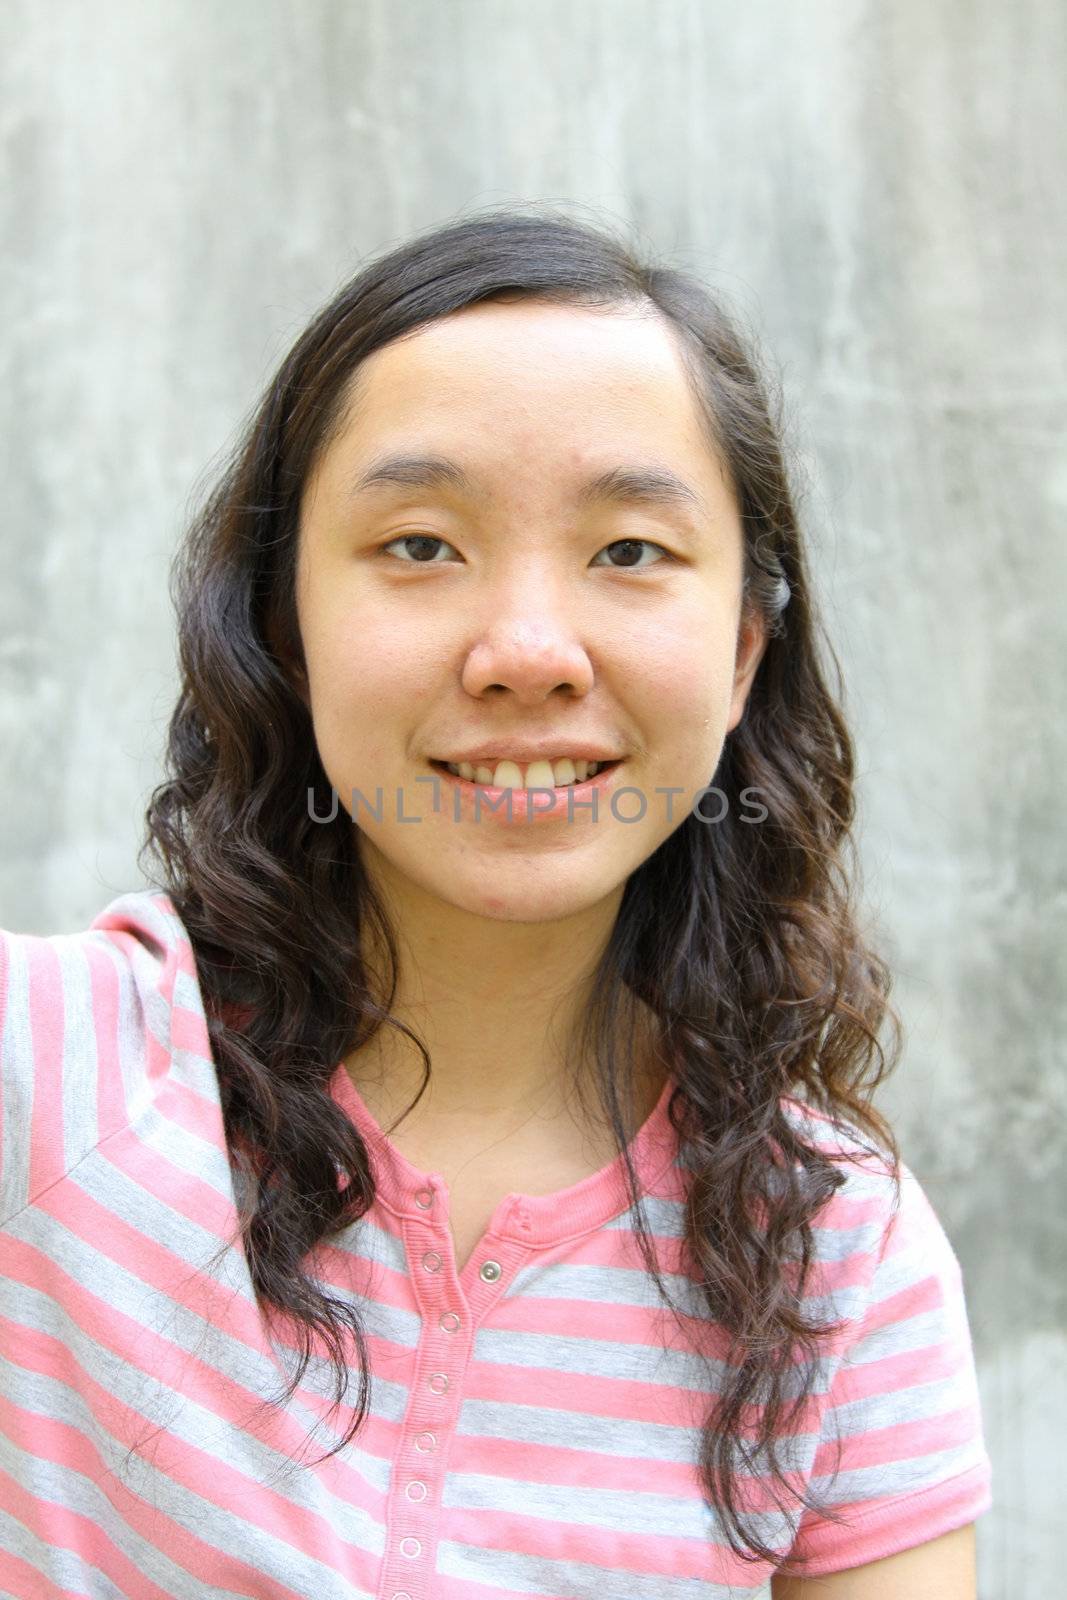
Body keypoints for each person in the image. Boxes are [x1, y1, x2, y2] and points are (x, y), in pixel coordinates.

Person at [0, 207, 992, 1598]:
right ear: (285, 626)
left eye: (630, 551)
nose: (527, 652)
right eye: (418, 544)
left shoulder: (834, 1254)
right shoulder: (45, 1076)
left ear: (743, 652)